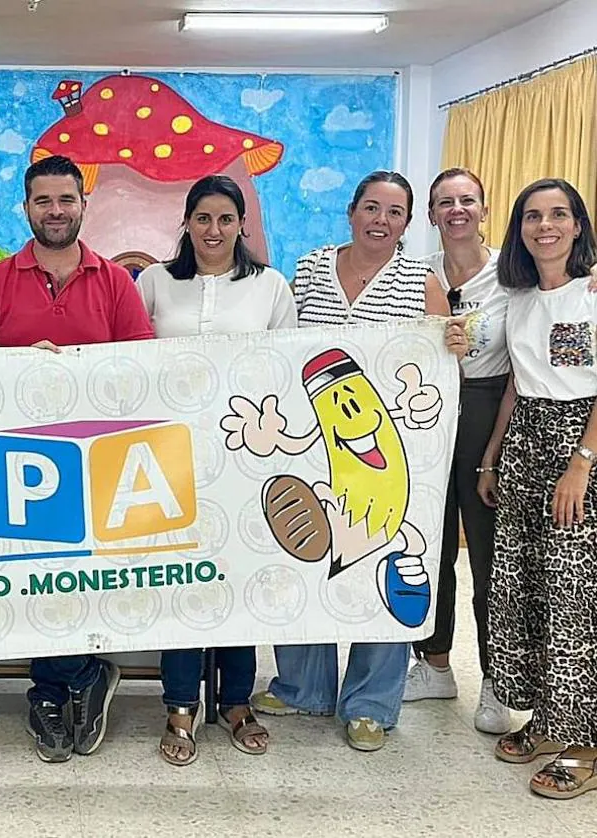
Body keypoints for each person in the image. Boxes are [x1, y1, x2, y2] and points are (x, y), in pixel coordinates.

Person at [249, 170, 463, 752]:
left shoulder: (421, 283)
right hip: (314, 436)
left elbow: (443, 361)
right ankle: (302, 685)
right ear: (351, 212)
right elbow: (283, 346)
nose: (381, 221)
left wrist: (456, 344)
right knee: (309, 557)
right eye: (371, 207)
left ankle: (370, 702)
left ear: (407, 223)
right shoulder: (313, 267)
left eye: (395, 213)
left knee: (382, 560)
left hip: (392, 447)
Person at [0, 154, 154, 763]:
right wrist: (25, 369)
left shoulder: (116, 282)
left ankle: (59, 685)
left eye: (66, 200)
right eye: (43, 201)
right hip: (19, 463)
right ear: (26, 208)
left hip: (100, 461)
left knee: (83, 574)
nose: (55, 211)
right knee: (37, 574)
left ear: (82, 205)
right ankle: (75, 679)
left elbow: (142, 370)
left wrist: (79, 369)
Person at [137, 175, 294, 765]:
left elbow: (284, 368)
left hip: (246, 456)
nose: (213, 230)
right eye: (202, 218)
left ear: (240, 225)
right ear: (186, 222)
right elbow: (128, 358)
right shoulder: (154, 281)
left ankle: (235, 701)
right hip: (168, 454)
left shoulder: (270, 286)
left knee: (236, 577)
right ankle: (180, 704)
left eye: (225, 219)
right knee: (181, 581)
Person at [482, 178, 597, 800]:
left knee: (576, 599)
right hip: (525, 442)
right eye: (532, 216)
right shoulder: (519, 297)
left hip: (581, 447)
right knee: (527, 589)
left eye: (558, 215)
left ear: (578, 225)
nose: (544, 226)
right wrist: (492, 458)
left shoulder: (594, 291)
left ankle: (586, 740)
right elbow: (517, 383)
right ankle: (551, 718)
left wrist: (580, 463)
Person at [400, 168, 511, 734]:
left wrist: (491, 451)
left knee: (489, 557)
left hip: (491, 412)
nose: (456, 210)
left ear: (484, 209)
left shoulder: (511, 275)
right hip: (429, 416)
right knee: (430, 544)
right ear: (431, 216)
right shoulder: (419, 276)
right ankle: (435, 663)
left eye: (467, 200)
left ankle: (496, 681)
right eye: (445, 202)